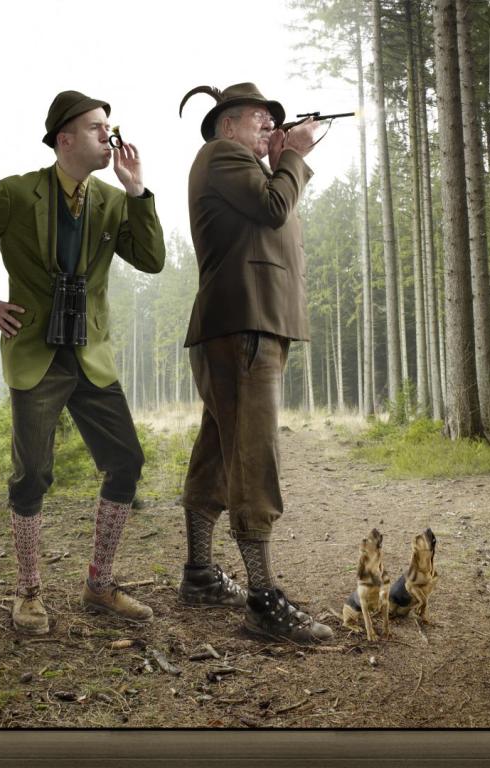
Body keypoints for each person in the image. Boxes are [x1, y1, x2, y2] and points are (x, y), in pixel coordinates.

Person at [0, 90, 166, 635]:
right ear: (65, 139)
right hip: (36, 353)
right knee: (32, 474)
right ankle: (29, 590)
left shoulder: (113, 201)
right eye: (96, 128)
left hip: (90, 355)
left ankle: (99, 584)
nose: (108, 136)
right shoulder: (18, 194)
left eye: (108, 127)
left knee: (125, 460)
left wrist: (137, 192)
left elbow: (152, 260)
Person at [177, 82, 332, 643]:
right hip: (243, 327)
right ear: (227, 126)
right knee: (253, 455)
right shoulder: (221, 155)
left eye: (274, 120)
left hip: (248, 325)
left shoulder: (246, 170)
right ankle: (264, 601)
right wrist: (293, 157)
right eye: (259, 119)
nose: (271, 126)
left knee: (219, 449)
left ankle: (200, 573)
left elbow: (268, 211)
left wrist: (279, 161)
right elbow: (273, 209)